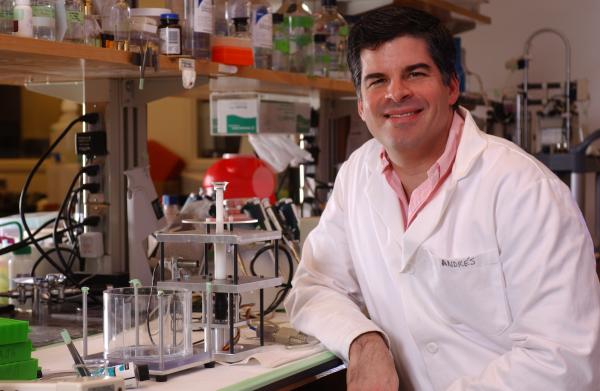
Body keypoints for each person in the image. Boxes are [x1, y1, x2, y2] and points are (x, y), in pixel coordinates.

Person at [284, 5, 600, 390]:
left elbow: (564, 364)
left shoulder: (526, 191)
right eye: (377, 80)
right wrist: (364, 341)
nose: (396, 93)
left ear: (452, 86)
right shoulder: (357, 175)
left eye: (415, 74)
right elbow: (315, 286)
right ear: (362, 104)